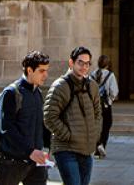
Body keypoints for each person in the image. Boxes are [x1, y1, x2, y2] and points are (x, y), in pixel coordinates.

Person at [43, 47, 104, 185]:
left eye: (87, 63)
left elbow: (98, 113)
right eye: (80, 63)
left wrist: (94, 135)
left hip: (87, 150)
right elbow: (49, 117)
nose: (84, 67)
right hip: (66, 150)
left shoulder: (92, 86)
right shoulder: (60, 86)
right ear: (71, 63)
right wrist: (69, 135)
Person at [0, 51, 52, 185]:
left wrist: (50, 146)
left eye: (46, 70)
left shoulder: (37, 92)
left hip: (36, 164)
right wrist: (29, 151)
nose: (45, 75)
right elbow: (6, 129)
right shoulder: (11, 93)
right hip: (12, 163)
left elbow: (40, 124)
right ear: (29, 70)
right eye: (41, 71)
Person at [90, 59, 119, 158]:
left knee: (96, 125)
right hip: (105, 105)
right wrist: (110, 101)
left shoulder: (93, 74)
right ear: (107, 64)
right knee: (107, 125)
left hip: (94, 104)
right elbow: (114, 91)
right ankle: (101, 144)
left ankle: (96, 145)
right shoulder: (110, 75)